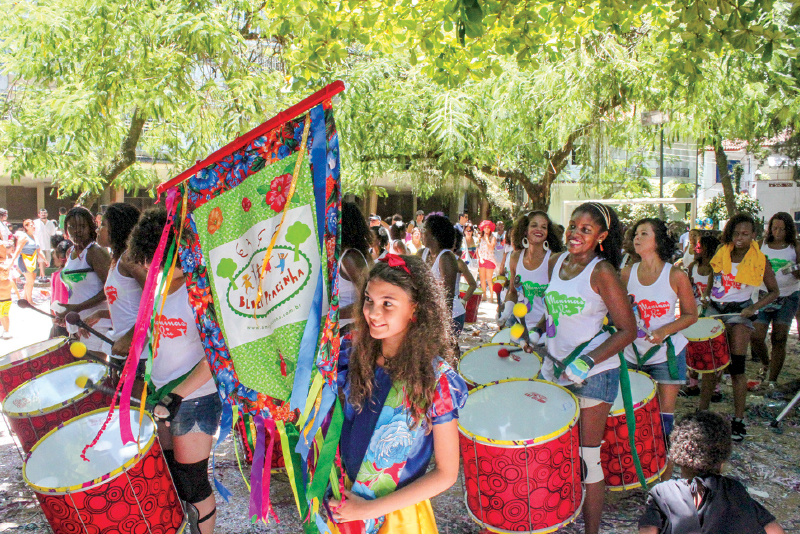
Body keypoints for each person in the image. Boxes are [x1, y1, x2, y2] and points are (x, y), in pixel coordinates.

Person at [327, 256, 467, 534]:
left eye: (387, 303)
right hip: (348, 505)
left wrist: (368, 509)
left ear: (415, 308)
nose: (373, 313)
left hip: (399, 518)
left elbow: (447, 473)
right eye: (369, 300)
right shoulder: (354, 357)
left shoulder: (435, 380)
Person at [533, 202, 637, 534]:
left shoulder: (602, 271)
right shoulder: (557, 261)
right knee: (548, 448)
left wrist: (587, 360)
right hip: (553, 371)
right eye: (573, 226)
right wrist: (535, 331)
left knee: (587, 458)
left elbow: (627, 329)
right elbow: (552, 311)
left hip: (593, 376)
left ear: (602, 237)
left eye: (586, 230)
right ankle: (554, 515)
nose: (575, 234)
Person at [128, 207, 221, 534]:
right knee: (169, 474)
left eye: (152, 258)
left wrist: (176, 395)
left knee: (192, 482)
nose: (145, 265)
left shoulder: (199, 292)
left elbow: (217, 357)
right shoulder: (155, 289)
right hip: (162, 396)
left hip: (194, 399)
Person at [621, 219, 698, 479]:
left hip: (667, 354)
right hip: (633, 353)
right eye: (636, 234)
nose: (637, 238)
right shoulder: (627, 272)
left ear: (658, 241)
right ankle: (637, 471)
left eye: (645, 233)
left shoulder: (675, 275)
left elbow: (691, 315)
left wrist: (664, 330)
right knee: (632, 417)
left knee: (664, 420)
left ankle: (665, 479)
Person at [700, 213, 779, 441]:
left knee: (737, 368)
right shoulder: (722, 252)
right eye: (736, 233)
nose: (740, 238)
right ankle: (703, 414)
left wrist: (754, 307)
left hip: (740, 312)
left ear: (754, 235)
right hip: (716, 309)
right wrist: (706, 296)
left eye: (745, 233)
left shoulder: (760, 259)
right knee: (710, 366)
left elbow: (774, 291)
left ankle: (738, 419)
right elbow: (713, 278)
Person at [639, 411, 785, 534]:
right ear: (722, 461)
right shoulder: (735, 490)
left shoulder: (662, 494)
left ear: (675, 457)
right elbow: (775, 530)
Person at [83, 203, 146, 365]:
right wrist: (100, 314)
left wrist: (131, 336)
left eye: (103, 225)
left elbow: (155, 298)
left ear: (118, 229)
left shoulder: (129, 259)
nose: (98, 229)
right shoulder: (116, 260)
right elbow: (128, 307)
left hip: (139, 350)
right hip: (120, 346)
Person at [751, 212, 800, 387]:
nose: (778, 232)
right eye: (775, 228)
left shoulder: (795, 247)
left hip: (788, 296)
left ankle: (772, 379)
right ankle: (766, 362)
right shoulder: (760, 245)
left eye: (782, 228)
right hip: (763, 294)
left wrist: (795, 271)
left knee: (779, 338)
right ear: (770, 228)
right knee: (756, 336)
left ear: (789, 230)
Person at [57, 207, 111, 354]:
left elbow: (111, 289)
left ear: (91, 228)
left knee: (92, 372)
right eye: (72, 227)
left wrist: (77, 308)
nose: (77, 231)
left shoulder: (95, 251)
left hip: (96, 324)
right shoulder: (71, 252)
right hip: (77, 322)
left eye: (82, 226)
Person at [498, 211, 563, 330]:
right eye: (534, 225)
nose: (539, 229)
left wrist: (539, 331)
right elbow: (512, 292)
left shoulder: (553, 260)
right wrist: (507, 312)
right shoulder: (515, 258)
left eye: (544, 227)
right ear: (525, 230)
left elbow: (558, 300)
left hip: (546, 331)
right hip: (519, 329)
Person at [420, 215, 466, 341]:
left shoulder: (446, 258)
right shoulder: (422, 253)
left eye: (425, 230)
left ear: (434, 235)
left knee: (446, 351)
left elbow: (448, 296)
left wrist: (445, 326)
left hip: (451, 315)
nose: (421, 233)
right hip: (432, 312)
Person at [340, 202, 373, 333]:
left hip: (348, 333)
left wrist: (331, 315)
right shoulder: (349, 254)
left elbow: (368, 301)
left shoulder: (351, 258)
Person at [8, 219, 47, 303]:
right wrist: (12, 261)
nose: (34, 227)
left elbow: (39, 250)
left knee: (31, 281)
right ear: (26, 227)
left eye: (33, 225)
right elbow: (18, 250)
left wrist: (44, 259)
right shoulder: (23, 237)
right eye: (31, 225)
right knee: (30, 281)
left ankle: (25, 299)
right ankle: (30, 300)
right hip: (24, 260)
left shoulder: (35, 237)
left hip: (33, 260)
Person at [49, 237, 72, 338]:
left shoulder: (59, 275)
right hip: (64, 319)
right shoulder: (62, 275)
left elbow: (54, 300)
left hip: (62, 319)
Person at [33, 208, 57, 281]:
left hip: (47, 245)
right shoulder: (35, 223)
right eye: (42, 213)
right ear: (39, 215)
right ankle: (43, 276)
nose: (43, 214)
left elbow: (53, 234)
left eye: (45, 213)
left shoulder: (50, 223)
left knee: (47, 261)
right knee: (41, 261)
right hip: (38, 245)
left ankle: (41, 276)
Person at [476, 220, 496, 302]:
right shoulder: (480, 238)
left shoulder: (493, 238)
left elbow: (491, 248)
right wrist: (479, 258)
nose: (487, 229)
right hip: (482, 260)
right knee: (482, 279)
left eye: (488, 227)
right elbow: (477, 249)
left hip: (490, 260)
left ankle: (491, 296)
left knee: (489, 279)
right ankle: (484, 295)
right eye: (485, 227)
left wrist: (487, 239)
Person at [0, 245, 12, 339]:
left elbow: (3, 258)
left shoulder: (2, 245)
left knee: (4, 315)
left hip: (6, 300)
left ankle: (6, 330)